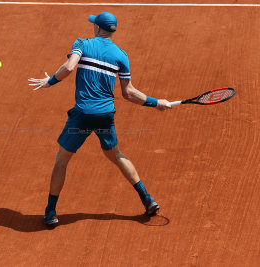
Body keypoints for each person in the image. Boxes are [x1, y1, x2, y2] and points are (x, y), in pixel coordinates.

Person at [28, 12, 171, 226]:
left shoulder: (83, 44)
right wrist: (156, 102)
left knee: (62, 159)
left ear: (97, 28)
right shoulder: (121, 55)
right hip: (105, 116)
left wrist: (49, 81)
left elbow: (68, 67)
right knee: (115, 154)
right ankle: (147, 198)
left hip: (83, 116)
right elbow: (128, 93)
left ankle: (50, 212)